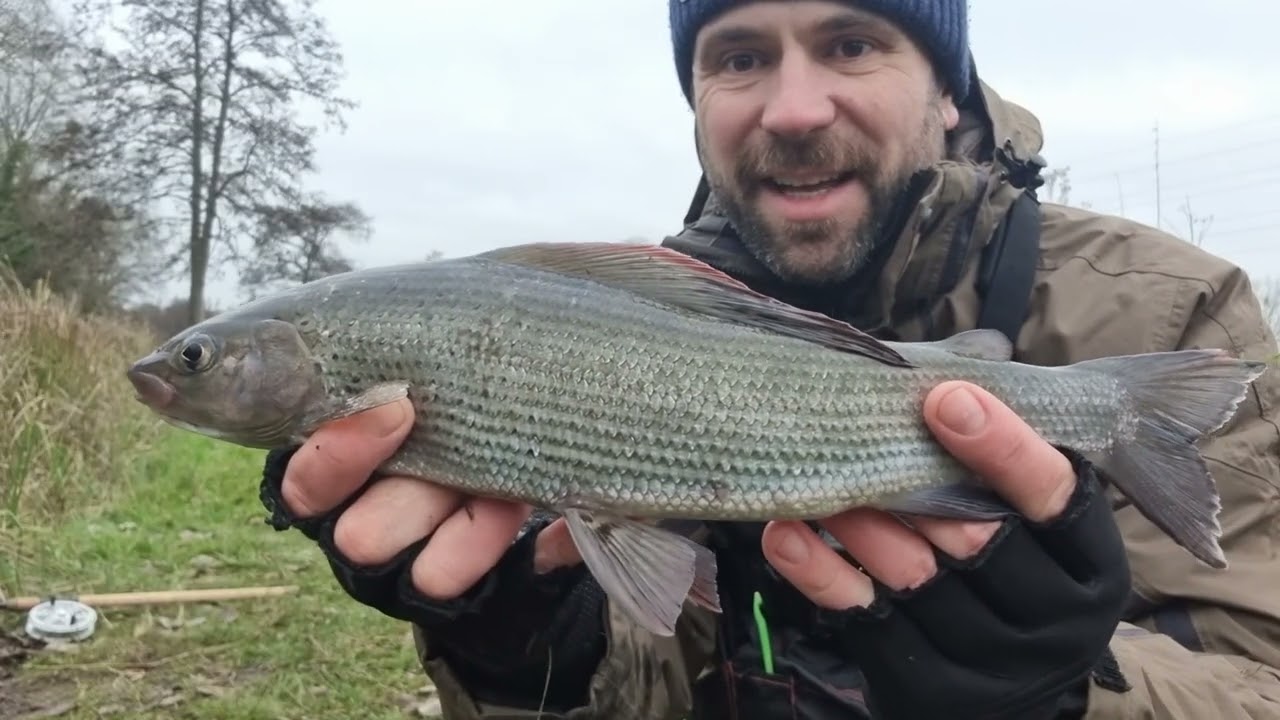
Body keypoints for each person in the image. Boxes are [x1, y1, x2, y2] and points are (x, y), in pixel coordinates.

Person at [256, 1, 1280, 717]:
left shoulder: (1168, 311)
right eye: (739, 57)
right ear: (697, 98)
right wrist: (527, 658)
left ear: (949, 92)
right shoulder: (614, 315)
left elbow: (1258, 681)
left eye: (851, 43)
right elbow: (642, 648)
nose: (792, 108)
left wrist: (1068, 695)